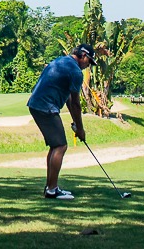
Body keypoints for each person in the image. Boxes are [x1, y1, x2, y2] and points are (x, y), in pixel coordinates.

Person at [27, 44, 92, 200]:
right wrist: (80, 129)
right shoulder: (75, 72)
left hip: (36, 104)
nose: (88, 65)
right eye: (89, 61)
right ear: (83, 56)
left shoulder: (60, 61)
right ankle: (52, 190)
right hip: (45, 107)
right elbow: (76, 103)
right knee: (60, 146)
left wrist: (76, 124)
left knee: (55, 146)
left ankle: (50, 187)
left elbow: (69, 99)